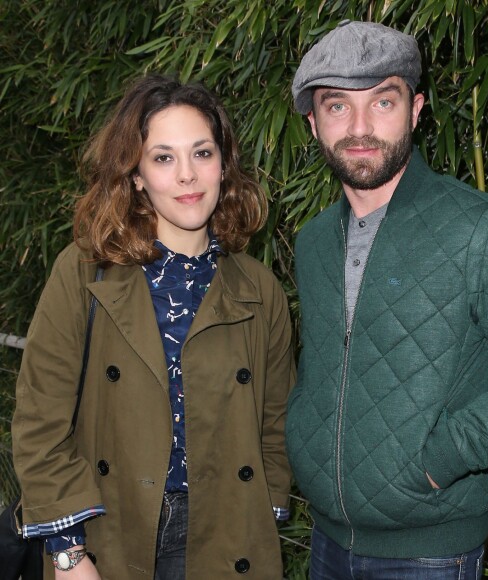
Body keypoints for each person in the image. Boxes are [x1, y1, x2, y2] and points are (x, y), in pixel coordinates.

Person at [285, 20, 488, 580]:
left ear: (416, 110)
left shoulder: (481, 230)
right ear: (313, 123)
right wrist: (302, 442)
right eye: (337, 106)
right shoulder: (313, 241)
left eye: (383, 101)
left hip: (429, 551)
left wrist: (440, 458)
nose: (361, 126)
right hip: (324, 535)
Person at [12, 74, 295, 579]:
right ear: (136, 174)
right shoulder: (83, 273)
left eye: (202, 153)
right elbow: (40, 423)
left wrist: (264, 509)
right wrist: (69, 554)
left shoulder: (259, 288)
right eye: (163, 157)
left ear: (224, 166)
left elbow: (274, 425)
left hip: (228, 533)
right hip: (110, 527)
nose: (187, 175)